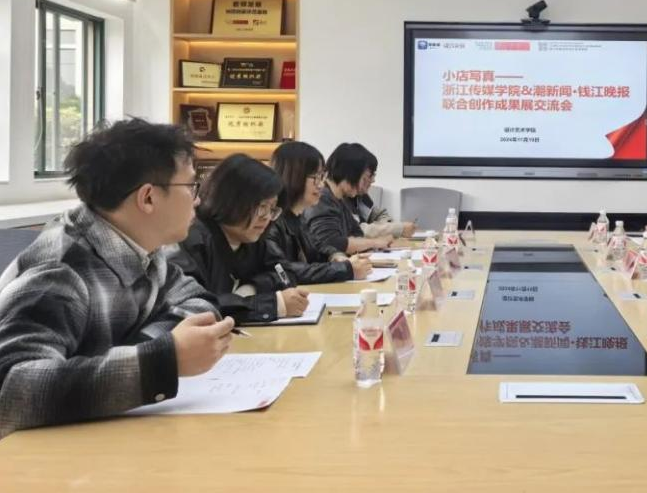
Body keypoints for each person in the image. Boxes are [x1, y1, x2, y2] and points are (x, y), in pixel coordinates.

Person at [0, 119, 232, 438]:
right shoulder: (61, 271)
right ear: (148, 198)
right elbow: (12, 389)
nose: (198, 200)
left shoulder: (143, 248)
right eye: (192, 186)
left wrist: (147, 348)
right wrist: (163, 360)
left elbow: (198, 301)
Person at [172, 154, 308, 323]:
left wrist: (251, 288)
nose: (266, 217)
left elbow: (285, 274)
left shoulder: (253, 238)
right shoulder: (192, 240)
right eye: (261, 206)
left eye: (272, 208)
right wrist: (274, 305)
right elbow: (195, 307)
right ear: (230, 200)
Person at [267, 142, 373, 283]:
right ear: (294, 176)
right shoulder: (270, 221)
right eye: (316, 178)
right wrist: (346, 269)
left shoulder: (297, 217)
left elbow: (318, 247)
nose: (321, 185)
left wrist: (335, 256)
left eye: (322, 177)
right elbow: (283, 272)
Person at [305, 143, 395, 254]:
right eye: (364, 178)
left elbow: (357, 233)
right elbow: (332, 243)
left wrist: (370, 243)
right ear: (350, 174)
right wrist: (374, 243)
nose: (366, 184)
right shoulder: (322, 198)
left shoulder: (340, 199)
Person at [351, 146, 416, 239]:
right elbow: (356, 230)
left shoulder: (360, 195)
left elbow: (380, 215)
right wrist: (396, 229)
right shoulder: (339, 199)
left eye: (374, 175)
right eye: (370, 175)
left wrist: (383, 228)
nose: (373, 180)